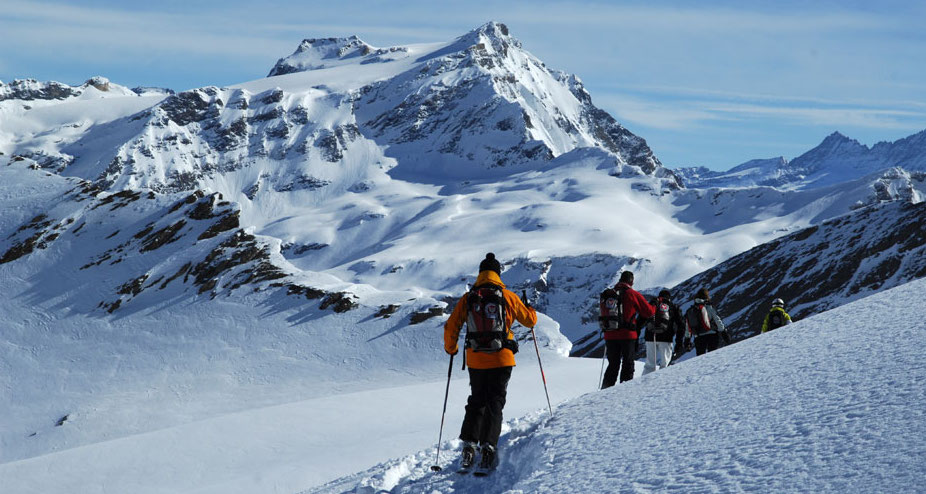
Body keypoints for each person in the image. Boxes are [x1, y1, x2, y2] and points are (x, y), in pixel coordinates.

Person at [444, 253, 537, 472]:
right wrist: (529, 307)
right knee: (495, 401)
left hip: (476, 359)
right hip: (502, 357)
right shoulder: (508, 296)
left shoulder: (468, 298)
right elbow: (530, 321)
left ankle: (469, 446)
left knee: (477, 401)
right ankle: (488, 447)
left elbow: (451, 327)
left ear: (480, 274)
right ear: (498, 273)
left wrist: (452, 349)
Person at [600, 271, 655, 388]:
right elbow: (648, 312)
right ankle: (625, 390)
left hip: (610, 334)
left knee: (613, 364)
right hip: (627, 335)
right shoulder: (632, 294)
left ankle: (605, 390)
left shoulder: (608, 294)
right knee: (628, 363)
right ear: (631, 281)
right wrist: (654, 306)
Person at [643, 289, 687, 374]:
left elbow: (642, 319)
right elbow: (681, 325)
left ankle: (644, 384)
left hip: (650, 337)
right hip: (666, 338)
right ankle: (662, 384)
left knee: (649, 365)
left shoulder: (653, 304)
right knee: (665, 365)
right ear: (669, 298)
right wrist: (679, 342)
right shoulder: (673, 306)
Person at [685, 288, 729, 355]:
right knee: (713, 355)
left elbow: (688, 327)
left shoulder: (691, 310)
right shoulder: (709, 307)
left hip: (698, 337)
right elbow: (717, 320)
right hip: (712, 334)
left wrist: (687, 340)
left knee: (701, 358)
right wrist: (723, 332)